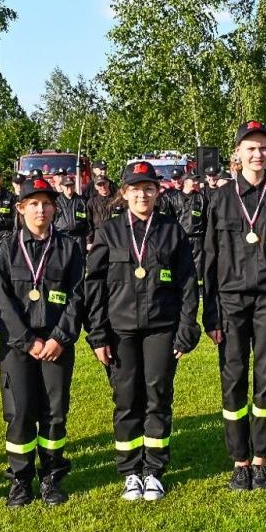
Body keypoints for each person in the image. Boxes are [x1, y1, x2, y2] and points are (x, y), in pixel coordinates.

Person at [86, 161, 201, 502]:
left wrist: (186, 328)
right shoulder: (109, 231)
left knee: (158, 395)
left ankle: (153, 470)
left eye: (148, 188)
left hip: (161, 329)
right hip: (120, 331)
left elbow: (187, 284)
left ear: (157, 192)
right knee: (125, 399)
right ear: (124, 193)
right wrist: (98, 335)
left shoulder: (171, 230)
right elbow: (93, 287)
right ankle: (130, 472)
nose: (142, 194)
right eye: (135, 188)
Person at [202, 120, 266, 491]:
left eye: (263, 148)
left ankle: (260, 459)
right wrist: (210, 312)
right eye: (250, 148)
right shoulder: (221, 198)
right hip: (230, 302)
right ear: (237, 154)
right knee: (233, 380)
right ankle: (239, 460)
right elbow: (209, 259)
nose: (257, 154)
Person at [0, 175, 89, 507]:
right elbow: (2, 301)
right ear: (20, 209)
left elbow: (78, 297)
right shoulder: (6, 248)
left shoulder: (68, 248)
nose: (41, 209)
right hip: (18, 347)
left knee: (54, 413)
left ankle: (51, 477)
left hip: (56, 346)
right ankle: (20, 480)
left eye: (47, 203)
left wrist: (60, 337)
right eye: (33, 203)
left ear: (55, 208)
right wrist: (26, 341)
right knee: (19, 413)